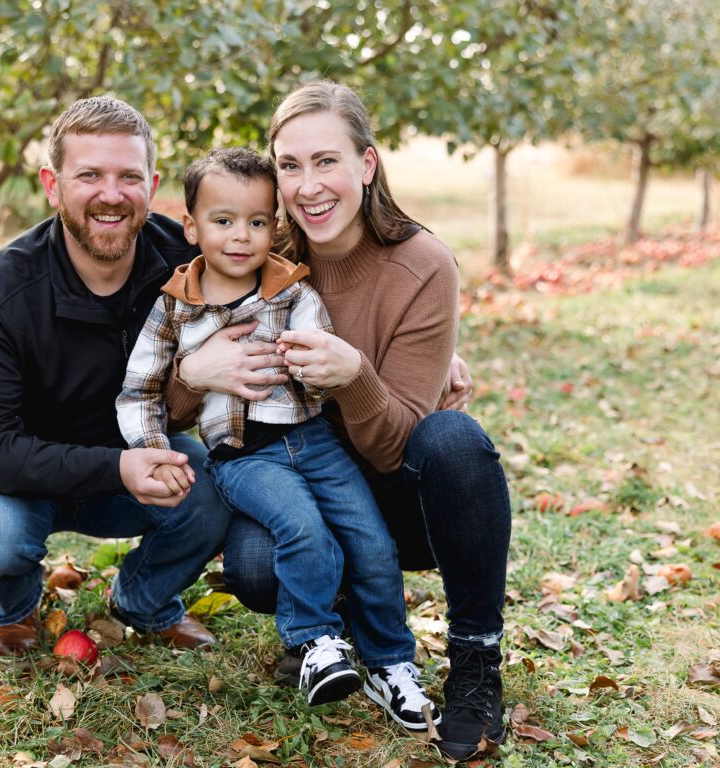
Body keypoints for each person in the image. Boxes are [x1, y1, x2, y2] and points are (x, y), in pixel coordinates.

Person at [167, 81, 512, 762]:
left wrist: (355, 374)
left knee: (457, 440)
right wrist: (194, 372)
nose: (307, 185)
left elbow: (395, 447)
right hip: (292, 479)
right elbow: (176, 404)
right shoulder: (256, 257)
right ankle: (338, 622)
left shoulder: (421, 264)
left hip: (389, 490)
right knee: (256, 568)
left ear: (367, 164)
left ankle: (476, 661)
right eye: (289, 166)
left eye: (326, 161)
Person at [116, 147, 439, 725]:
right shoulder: (173, 309)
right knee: (302, 528)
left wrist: (317, 360)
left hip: (313, 440)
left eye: (258, 222)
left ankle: (392, 662)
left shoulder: (292, 292)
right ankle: (315, 642)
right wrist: (153, 449)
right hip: (244, 456)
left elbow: (325, 348)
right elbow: (140, 390)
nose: (241, 237)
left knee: (370, 539)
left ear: (275, 226)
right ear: (190, 226)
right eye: (223, 221)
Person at [0, 96, 234, 657]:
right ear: (53, 185)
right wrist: (116, 466)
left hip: (139, 458)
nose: (111, 194)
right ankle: (13, 606)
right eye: (89, 175)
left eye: (129, 176)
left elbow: (291, 274)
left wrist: (406, 350)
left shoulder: (189, 259)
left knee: (222, 484)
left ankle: (145, 600)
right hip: (20, 474)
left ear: (151, 183)